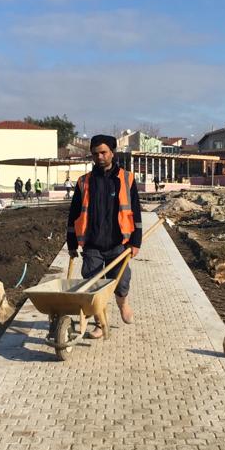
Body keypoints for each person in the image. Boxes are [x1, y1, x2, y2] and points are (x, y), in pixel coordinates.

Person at [66, 134, 142, 338]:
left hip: (119, 243)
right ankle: (100, 324)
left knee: (122, 281)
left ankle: (123, 302)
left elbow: (135, 210)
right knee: (93, 285)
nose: (99, 157)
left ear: (112, 153)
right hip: (92, 244)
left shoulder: (126, 179)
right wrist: (71, 242)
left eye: (103, 152)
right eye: (95, 154)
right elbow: (74, 214)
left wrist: (136, 241)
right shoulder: (84, 182)